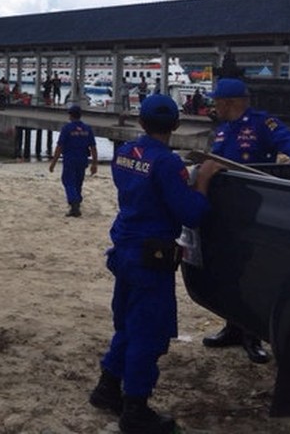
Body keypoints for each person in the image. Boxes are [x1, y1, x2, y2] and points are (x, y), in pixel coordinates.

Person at [89, 94, 221, 433]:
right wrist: (202, 181)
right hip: (152, 256)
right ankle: (135, 408)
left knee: (128, 323)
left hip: (124, 249)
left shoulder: (122, 154)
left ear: (141, 123)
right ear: (176, 125)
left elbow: (143, 188)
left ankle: (107, 387)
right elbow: (191, 212)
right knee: (148, 332)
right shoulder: (167, 163)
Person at [202, 78, 290, 363]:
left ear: (230, 102)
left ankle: (251, 334)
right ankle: (232, 328)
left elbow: (286, 139)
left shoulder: (261, 123)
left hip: (250, 207)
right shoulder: (223, 129)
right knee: (226, 269)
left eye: (217, 102)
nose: (215, 106)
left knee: (248, 271)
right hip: (224, 208)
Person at [48, 105, 97, 217]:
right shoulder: (87, 128)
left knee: (68, 181)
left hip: (70, 159)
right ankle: (77, 202)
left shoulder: (67, 129)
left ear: (70, 115)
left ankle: (74, 204)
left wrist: (53, 163)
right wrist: (94, 163)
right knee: (78, 182)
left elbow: (59, 146)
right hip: (83, 159)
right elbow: (93, 147)